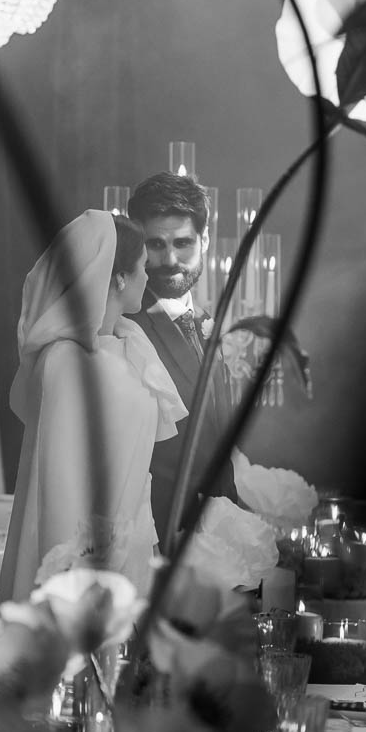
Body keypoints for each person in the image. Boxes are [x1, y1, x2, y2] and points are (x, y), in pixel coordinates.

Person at [0, 209, 186, 604]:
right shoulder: (66, 364)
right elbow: (60, 487)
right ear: (118, 277)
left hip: (131, 550)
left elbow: (139, 475)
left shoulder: (131, 347)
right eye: (142, 267)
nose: (148, 277)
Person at [127, 172, 238, 547]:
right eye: (155, 244)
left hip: (219, 543)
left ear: (205, 240)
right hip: (157, 543)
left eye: (183, 243)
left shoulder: (209, 323)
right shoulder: (124, 329)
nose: (170, 259)